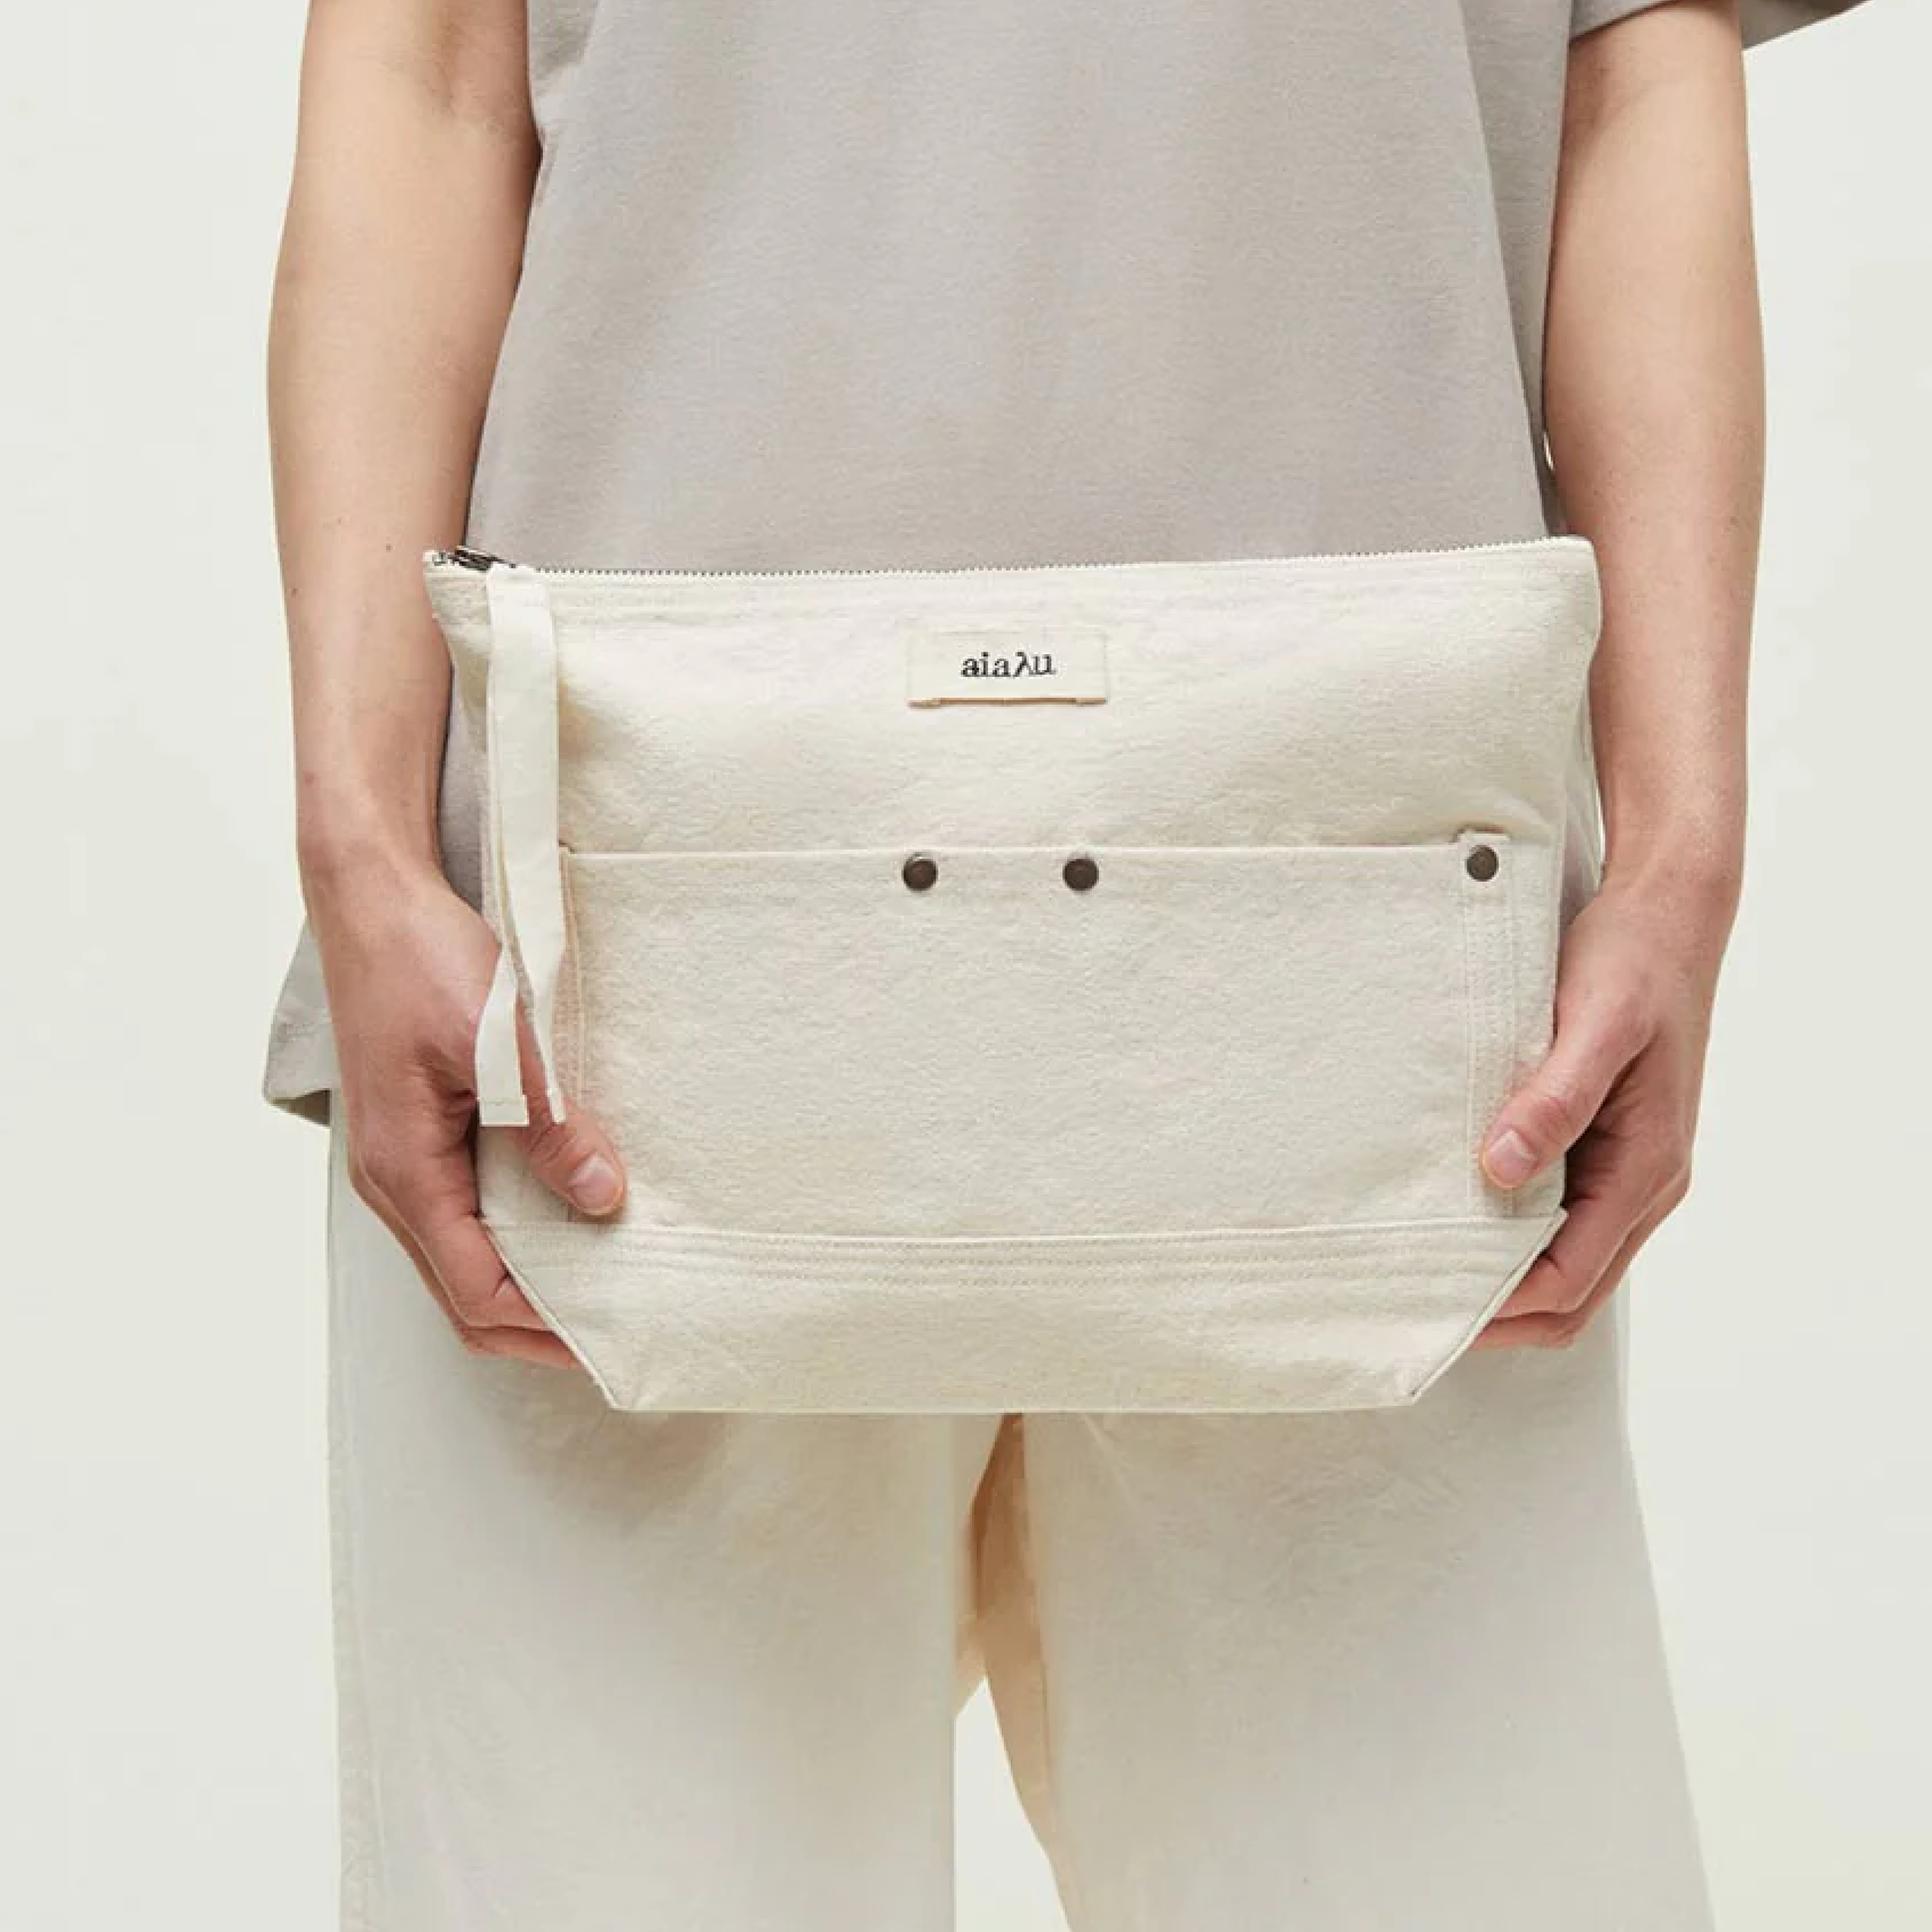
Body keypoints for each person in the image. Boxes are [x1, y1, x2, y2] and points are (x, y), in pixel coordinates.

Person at [261, 2, 1870, 1925]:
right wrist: (359, 842)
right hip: (616, 950)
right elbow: (423, 68)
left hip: (1372, 952)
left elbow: (1633, 59)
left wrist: (1683, 850)